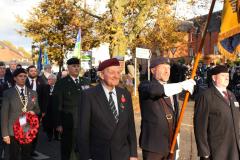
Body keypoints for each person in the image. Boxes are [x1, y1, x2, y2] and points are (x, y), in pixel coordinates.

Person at [78, 58, 138, 160]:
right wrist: (86, 157)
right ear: (101, 75)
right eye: (111, 72)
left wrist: (133, 154)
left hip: (122, 154)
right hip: (100, 154)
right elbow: (83, 130)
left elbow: (130, 126)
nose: (116, 76)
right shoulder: (89, 95)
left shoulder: (125, 94)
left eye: (118, 72)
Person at [138, 57, 196, 160]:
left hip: (171, 144)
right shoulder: (145, 86)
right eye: (163, 68)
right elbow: (155, 91)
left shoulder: (172, 88)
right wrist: (181, 86)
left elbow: (175, 116)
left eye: (168, 68)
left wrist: (177, 141)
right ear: (153, 70)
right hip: (153, 146)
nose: (167, 71)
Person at [194, 65, 240, 160]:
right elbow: (200, 126)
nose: (227, 77)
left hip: (234, 148)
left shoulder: (231, 95)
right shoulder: (206, 96)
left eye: (227, 75)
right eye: (223, 75)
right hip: (216, 150)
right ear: (214, 78)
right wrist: (204, 151)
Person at [53, 57, 90, 160]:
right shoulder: (61, 83)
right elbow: (57, 105)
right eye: (74, 66)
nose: (76, 68)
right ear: (68, 68)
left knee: (82, 148)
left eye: (78, 66)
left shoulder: (86, 81)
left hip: (84, 121)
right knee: (67, 148)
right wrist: (58, 123)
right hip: (68, 122)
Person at [1, 68, 40, 160]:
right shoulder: (8, 93)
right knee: (14, 155)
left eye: (24, 76)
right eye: (20, 76)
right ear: (15, 78)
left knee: (26, 155)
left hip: (27, 129)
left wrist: (33, 112)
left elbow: (38, 109)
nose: (23, 78)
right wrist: (5, 134)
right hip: (13, 130)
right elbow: (4, 115)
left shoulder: (33, 93)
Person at [25, 65, 45, 157]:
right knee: (24, 131)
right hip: (24, 112)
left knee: (35, 132)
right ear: (28, 72)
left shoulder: (41, 81)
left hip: (37, 112)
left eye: (35, 71)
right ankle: (24, 150)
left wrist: (43, 111)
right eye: (31, 71)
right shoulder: (23, 81)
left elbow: (44, 97)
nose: (33, 72)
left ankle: (32, 150)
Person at [42, 74, 59, 141]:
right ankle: (49, 136)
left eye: (49, 79)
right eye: (48, 79)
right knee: (49, 123)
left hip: (56, 109)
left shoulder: (59, 87)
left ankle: (57, 136)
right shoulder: (45, 87)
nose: (48, 81)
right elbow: (43, 98)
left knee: (56, 122)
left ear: (54, 80)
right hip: (47, 109)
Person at [0, 62, 9, 160]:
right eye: (0, 68)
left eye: (3, 68)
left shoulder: (9, 81)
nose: (2, 70)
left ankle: (3, 151)